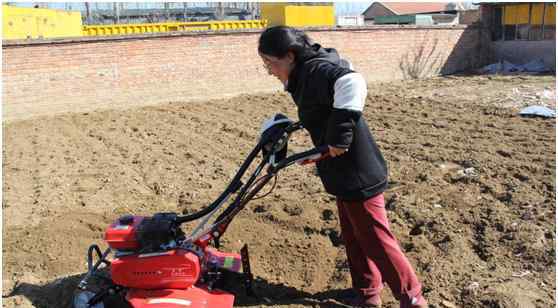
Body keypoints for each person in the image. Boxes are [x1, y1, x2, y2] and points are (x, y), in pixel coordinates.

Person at [258, 26, 427, 308]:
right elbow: (325, 103)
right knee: (354, 237)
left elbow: (352, 82)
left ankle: (413, 298)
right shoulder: (304, 74)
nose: (269, 70)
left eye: (270, 63)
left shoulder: (315, 70)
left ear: (289, 56)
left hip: (358, 171)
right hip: (341, 173)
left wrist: (339, 138)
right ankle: (367, 293)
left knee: (376, 241)